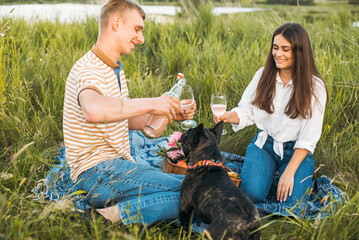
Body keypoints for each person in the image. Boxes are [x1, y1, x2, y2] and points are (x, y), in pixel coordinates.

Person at [63, 0, 196, 224]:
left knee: (195, 189)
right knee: (196, 190)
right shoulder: (89, 69)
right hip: (97, 172)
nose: (141, 39)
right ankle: (109, 216)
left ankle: (112, 212)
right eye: (137, 29)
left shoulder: (113, 68)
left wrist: (169, 113)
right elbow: (93, 110)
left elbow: (125, 120)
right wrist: (153, 102)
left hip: (113, 167)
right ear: (116, 22)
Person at [215, 23, 328, 205]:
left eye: (285, 49)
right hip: (265, 145)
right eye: (275, 48)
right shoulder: (263, 75)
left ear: (299, 52)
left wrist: (290, 172)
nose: (278, 54)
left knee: (292, 205)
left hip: (296, 151)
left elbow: (309, 137)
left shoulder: (314, 87)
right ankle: (266, 175)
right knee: (251, 196)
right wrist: (228, 116)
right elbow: (247, 111)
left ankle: (280, 176)